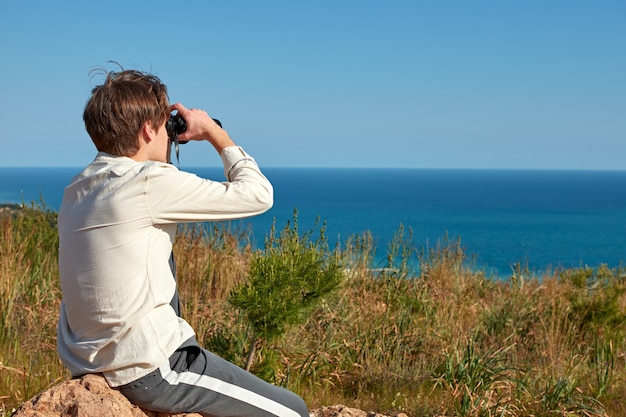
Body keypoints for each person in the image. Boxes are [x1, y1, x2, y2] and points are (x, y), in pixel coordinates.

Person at [57, 67, 309, 417]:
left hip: (89, 362)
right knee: (294, 411)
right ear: (148, 130)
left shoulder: (76, 190)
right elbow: (259, 194)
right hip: (148, 370)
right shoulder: (147, 181)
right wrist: (213, 133)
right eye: (164, 126)